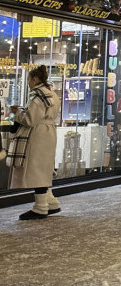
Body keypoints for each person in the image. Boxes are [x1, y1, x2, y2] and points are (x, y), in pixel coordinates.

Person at [10, 65, 61, 220]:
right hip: (49, 132)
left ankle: (40, 207)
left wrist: (17, 111)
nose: (28, 84)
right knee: (44, 168)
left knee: (36, 169)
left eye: (29, 80)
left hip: (37, 135)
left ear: (35, 79)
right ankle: (51, 202)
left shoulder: (38, 96)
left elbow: (30, 119)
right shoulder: (52, 93)